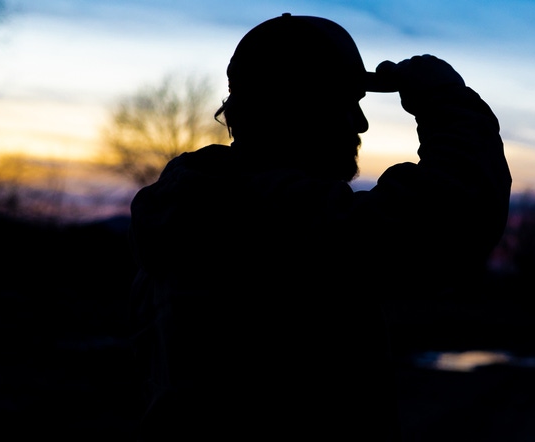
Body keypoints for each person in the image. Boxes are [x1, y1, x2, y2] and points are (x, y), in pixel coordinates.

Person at [128, 12, 511, 441]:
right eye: (348, 104)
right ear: (302, 109)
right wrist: (446, 101)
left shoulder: (190, 213)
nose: (361, 124)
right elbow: (453, 218)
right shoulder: (265, 219)